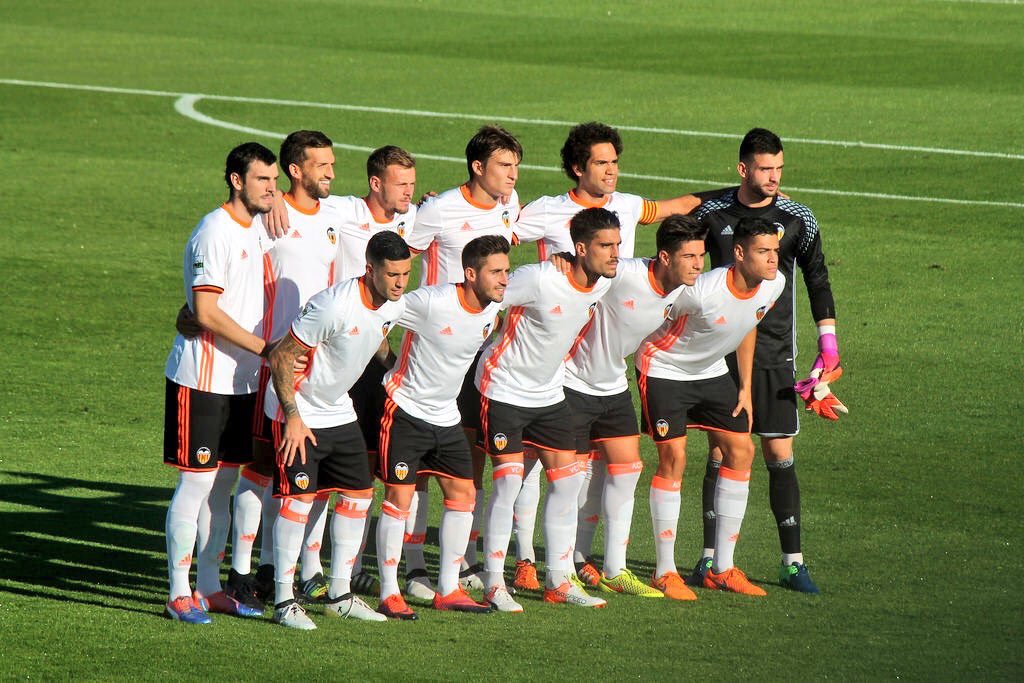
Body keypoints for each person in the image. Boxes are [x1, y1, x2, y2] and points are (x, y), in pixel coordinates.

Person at [509, 121, 704, 589]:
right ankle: (524, 559)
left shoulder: (629, 209)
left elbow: (673, 208)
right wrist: (556, 263)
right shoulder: (548, 211)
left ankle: (601, 565)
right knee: (538, 468)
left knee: (619, 467)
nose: (612, 171)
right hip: (562, 363)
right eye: (602, 162)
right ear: (578, 168)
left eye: (615, 162)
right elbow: (499, 237)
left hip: (610, 367)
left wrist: (735, 197)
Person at [686, 128, 840, 594]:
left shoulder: (797, 218)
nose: (773, 178)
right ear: (743, 169)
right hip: (721, 351)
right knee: (720, 452)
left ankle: (792, 562)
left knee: (778, 452)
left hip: (776, 352)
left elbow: (817, 279)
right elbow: (683, 259)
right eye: (765, 169)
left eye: (779, 169)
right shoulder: (712, 214)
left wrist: (828, 346)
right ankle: (710, 559)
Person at [263, 231, 411, 630]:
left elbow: (376, 337)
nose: (400, 282)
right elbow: (281, 356)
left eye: (405, 274)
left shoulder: (390, 304)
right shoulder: (333, 305)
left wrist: (395, 368)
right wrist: (293, 416)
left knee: (360, 494)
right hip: (299, 410)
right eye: (392, 274)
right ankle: (283, 601)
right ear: (370, 270)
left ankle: (340, 595)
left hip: (337, 410)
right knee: (298, 499)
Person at [474, 207, 620, 611]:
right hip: (503, 388)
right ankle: (494, 582)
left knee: (567, 481)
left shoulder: (601, 284)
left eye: (617, 244)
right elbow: (489, 295)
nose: (615, 253)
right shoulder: (539, 278)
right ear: (579, 248)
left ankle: (558, 579)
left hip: (550, 393)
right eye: (606, 246)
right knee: (508, 483)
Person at [222, 130, 343, 609]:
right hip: (272, 362)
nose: (331, 173)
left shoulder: (336, 214)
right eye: (322, 165)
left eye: (333, 164)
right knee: (260, 469)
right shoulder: (267, 220)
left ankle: (276, 569)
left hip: (320, 367)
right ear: (296, 170)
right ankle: (241, 572)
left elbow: (384, 207)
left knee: (298, 474)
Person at [635, 216, 785, 597]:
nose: (773, 259)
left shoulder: (775, 284)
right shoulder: (701, 291)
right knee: (674, 458)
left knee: (742, 450)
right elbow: (653, 312)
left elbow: (748, 322)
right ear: (739, 253)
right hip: (665, 369)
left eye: (775, 251)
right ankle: (665, 571)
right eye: (763, 251)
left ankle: (722, 567)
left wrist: (746, 386)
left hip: (713, 372)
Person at [559, 215, 708, 599]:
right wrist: (563, 259)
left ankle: (615, 569)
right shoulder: (624, 274)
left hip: (612, 386)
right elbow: (583, 271)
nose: (698, 264)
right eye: (690, 256)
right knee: (568, 481)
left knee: (627, 471)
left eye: (701, 255)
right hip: (571, 382)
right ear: (663, 256)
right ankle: (562, 569)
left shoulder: (681, 291)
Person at [402, 125, 523, 596]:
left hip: (482, 349)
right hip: (434, 349)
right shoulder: (439, 208)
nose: (513, 175)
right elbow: (399, 254)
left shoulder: (508, 204)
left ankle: (465, 556)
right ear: (477, 167)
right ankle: (413, 565)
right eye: (504, 166)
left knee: (468, 458)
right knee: (418, 468)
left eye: (516, 167)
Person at [162, 142, 278, 624]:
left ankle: (209, 587)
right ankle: (176, 591)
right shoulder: (214, 232)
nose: (272, 189)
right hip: (203, 379)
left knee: (223, 486)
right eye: (262, 181)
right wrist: (265, 349)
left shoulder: (255, 229)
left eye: (274, 180)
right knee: (196, 484)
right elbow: (205, 312)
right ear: (236, 180)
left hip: (241, 382)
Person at [373, 235, 511, 619]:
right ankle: (389, 591)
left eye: (506, 270)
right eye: (496, 272)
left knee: (463, 494)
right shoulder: (431, 302)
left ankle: (448, 588)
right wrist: (389, 363)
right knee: (399, 500)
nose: (504, 279)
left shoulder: (491, 312)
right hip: (404, 410)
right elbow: (373, 310)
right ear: (470, 274)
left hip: (446, 417)